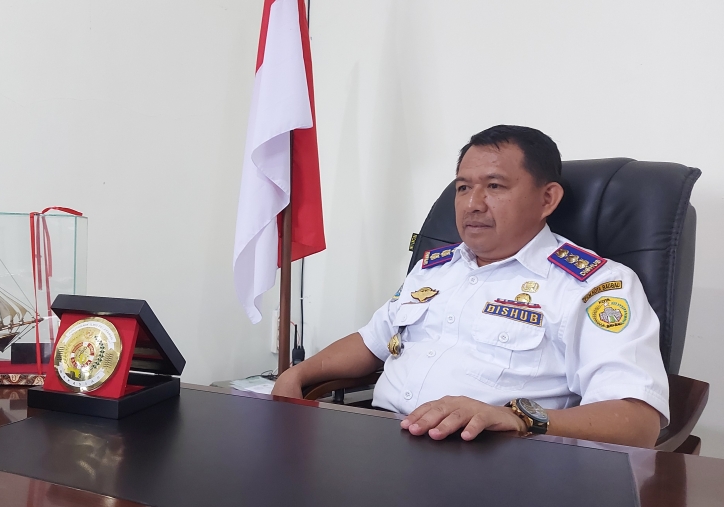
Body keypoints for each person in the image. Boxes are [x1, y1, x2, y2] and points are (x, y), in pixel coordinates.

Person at [272, 125, 669, 449]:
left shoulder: (595, 285)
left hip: (493, 458)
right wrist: (297, 374)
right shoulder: (434, 267)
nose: (472, 204)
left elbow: (637, 423)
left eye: (494, 186)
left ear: (547, 199)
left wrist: (516, 418)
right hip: (380, 442)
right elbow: (371, 341)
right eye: (463, 187)